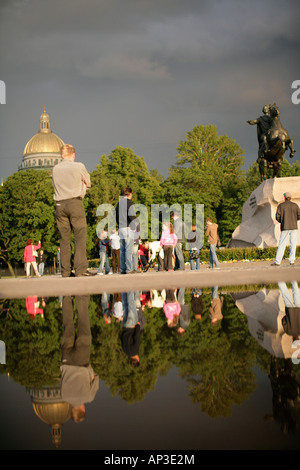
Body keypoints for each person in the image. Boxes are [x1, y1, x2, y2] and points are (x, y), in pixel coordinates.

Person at [52, 144, 95, 277]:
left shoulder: (55, 169)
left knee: (64, 238)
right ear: (73, 154)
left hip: (59, 205)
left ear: (62, 155)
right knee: (79, 236)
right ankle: (80, 269)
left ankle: (65, 271)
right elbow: (88, 183)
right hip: (75, 203)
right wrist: (82, 190)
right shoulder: (79, 166)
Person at [60, 295, 99, 422]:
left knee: (83, 321)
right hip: (66, 359)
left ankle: (81, 294)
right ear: (72, 410)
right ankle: (66, 295)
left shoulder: (88, 397)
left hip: (82, 360)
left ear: (83, 410)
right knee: (68, 324)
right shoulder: (63, 396)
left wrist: (89, 370)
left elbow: (96, 378)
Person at [272, 192, 300, 266]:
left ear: (284, 197)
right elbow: (299, 215)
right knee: (293, 244)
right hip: (294, 227)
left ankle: (278, 261)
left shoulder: (281, 206)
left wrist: (282, 221)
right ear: (290, 197)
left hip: (285, 227)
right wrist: (294, 219)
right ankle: (292, 261)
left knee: (282, 244)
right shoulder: (295, 205)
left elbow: (277, 216)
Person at [115, 187, 139, 274]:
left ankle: (123, 269)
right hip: (128, 228)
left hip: (121, 228)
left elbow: (116, 216)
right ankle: (129, 269)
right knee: (129, 249)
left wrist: (120, 225)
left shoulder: (119, 203)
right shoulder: (129, 203)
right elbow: (131, 215)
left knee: (122, 250)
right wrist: (133, 227)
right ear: (130, 194)